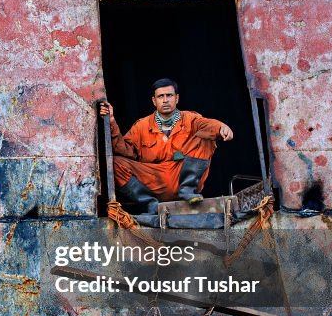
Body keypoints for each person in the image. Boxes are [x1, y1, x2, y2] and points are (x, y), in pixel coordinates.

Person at [100, 78, 233, 214]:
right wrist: (111, 121)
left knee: (207, 138)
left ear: (177, 98)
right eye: (160, 96)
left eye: (169, 95)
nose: (165, 100)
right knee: (115, 163)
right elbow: (124, 149)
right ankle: (150, 204)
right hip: (155, 180)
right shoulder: (142, 126)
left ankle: (187, 189)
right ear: (154, 101)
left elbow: (207, 125)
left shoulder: (190, 118)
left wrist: (221, 127)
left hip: (181, 176)